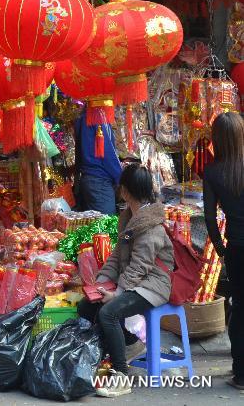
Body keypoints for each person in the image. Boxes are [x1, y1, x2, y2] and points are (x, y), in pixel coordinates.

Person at [77, 164, 173, 398]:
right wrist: (100, 283)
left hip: (153, 285)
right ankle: (130, 344)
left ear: (125, 191)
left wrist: (117, 293)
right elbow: (117, 256)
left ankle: (121, 375)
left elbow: (140, 266)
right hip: (134, 281)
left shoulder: (150, 226)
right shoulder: (129, 217)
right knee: (85, 306)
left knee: (108, 312)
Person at [203, 112, 244, 390]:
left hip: (237, 249)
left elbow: (208, 216)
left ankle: (241, 373)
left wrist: (219, 248)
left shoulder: (213, 172)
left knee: (240, 309)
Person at [74, 108, 122, 214]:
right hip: (100, 181)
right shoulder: (98, 115)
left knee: (95, 226)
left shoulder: (83, 115)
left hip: (88, 178)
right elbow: (107, 152)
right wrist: (121, 178)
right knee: (106, 226)